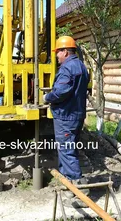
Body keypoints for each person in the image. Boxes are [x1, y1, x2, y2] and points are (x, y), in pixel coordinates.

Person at [43, 36, 89, 194]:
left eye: (58, 52)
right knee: (70, 148)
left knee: (66, 150)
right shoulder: (82, 67)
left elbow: (61, 92)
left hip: (66, 116)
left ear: (65, 52)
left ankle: (79, 190)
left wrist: (47, 97)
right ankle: (69, 182)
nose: (56, 55)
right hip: (77, 115)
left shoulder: (67, 68)